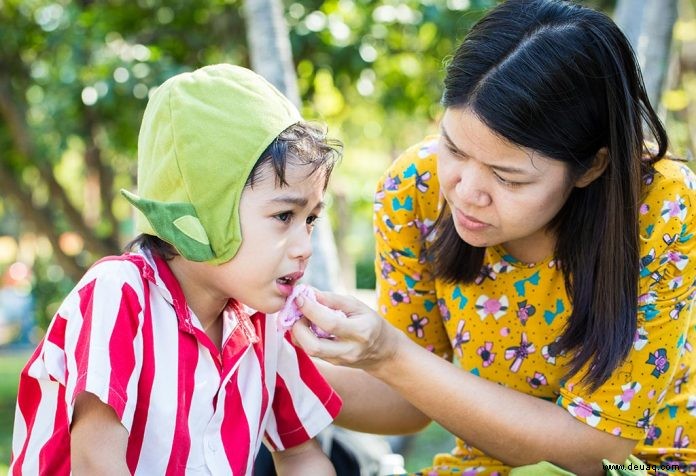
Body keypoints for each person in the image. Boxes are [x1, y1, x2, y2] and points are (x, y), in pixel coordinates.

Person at [290, 1, 696, 475]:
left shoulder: (660, 208)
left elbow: (596, 452)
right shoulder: (415, 190)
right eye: (454, 148)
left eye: (508, 179)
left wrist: (391, 354)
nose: (466, 191)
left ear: (592, 166)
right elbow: (408, 402)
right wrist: (265, 368)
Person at [9, 64, 343, 475]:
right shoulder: (119, 293)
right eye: (284, 216)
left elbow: (300, 456)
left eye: (310, 220)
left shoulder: (263, 323)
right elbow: (97, 463)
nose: (304, 247)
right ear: (205, 208)